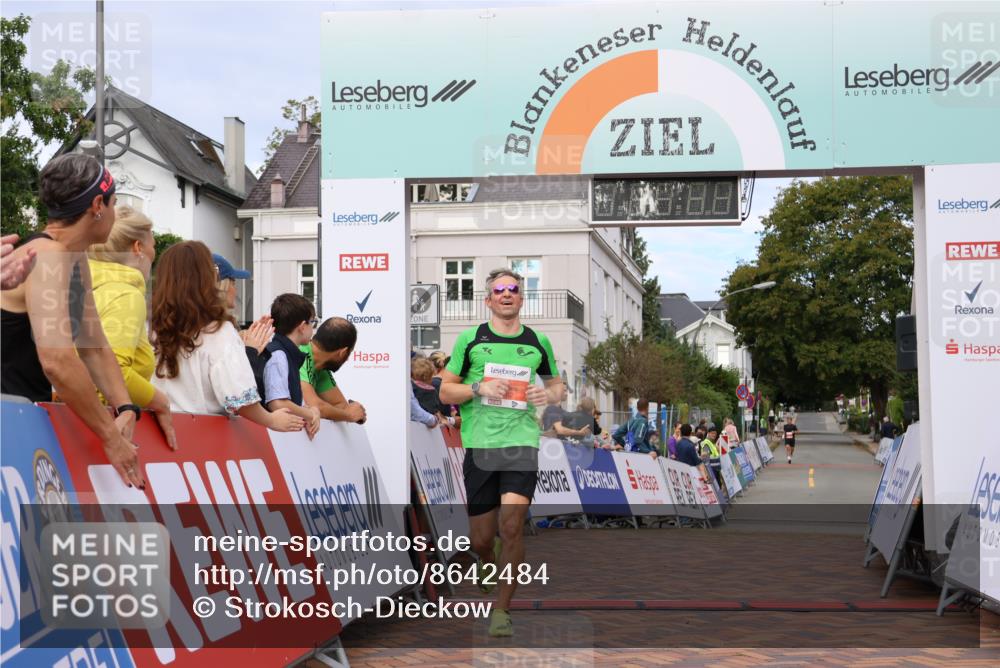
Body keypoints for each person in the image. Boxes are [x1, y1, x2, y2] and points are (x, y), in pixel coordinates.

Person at [1, 154, 143, 487]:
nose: (114, 211)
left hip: (21, 419)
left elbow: (93, 347)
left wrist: (125, 406)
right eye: (114, 203)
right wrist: (110, 437)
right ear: (97, 204)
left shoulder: (73, 258)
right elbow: (58, 361)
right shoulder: (47, 256)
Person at [438, 268, 562, 638]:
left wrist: (549, 395)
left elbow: (557, 385)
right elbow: (445, 393)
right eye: (499, 290)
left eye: (513, 289)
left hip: (521, 442)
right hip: (480, 445)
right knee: (480, 538)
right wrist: (480, 387)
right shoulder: (470, 339)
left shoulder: (538, 341)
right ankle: (486, 559)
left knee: (512, 526)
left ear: (521, 298)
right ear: (488, 299)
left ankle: (502, 611)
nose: (506, 294)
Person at [151, 241, 303, 433]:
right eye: (233, 282)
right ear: (211, 280)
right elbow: (239, 397)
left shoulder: (152, 327)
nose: (235, 288)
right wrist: (271, 419)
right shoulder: (217, 331)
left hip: (157, 432)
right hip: (202, 437)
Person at [87, 205, 177, 449]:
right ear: (138, 248)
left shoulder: (81, 288)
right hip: (104, 428)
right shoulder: (126, 295)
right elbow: (112, 369)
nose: (153, 256)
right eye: (154, 247)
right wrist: (160, 401)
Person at [212, 253, 275, 395]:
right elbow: (242, 396)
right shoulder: (221, 330)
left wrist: (244, 345)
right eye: (233, 283)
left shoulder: (197, 327)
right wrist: (251, 351)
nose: (236, 290)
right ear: (222, 287)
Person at [261, 293, 322, 439]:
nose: (313, 328)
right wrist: (310, 414)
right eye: (312, 322)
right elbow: (277, 403)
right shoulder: (278, 355)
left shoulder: (285, 353)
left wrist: (312, 410)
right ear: (302, 326)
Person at [300, 317, 367, 424]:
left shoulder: (321, 366)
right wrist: (349, 415)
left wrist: (351, 412)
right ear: (343, 352)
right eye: (349, 353)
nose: (348, 358)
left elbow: (341, 406)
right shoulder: (302, 355)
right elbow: (316, 407)